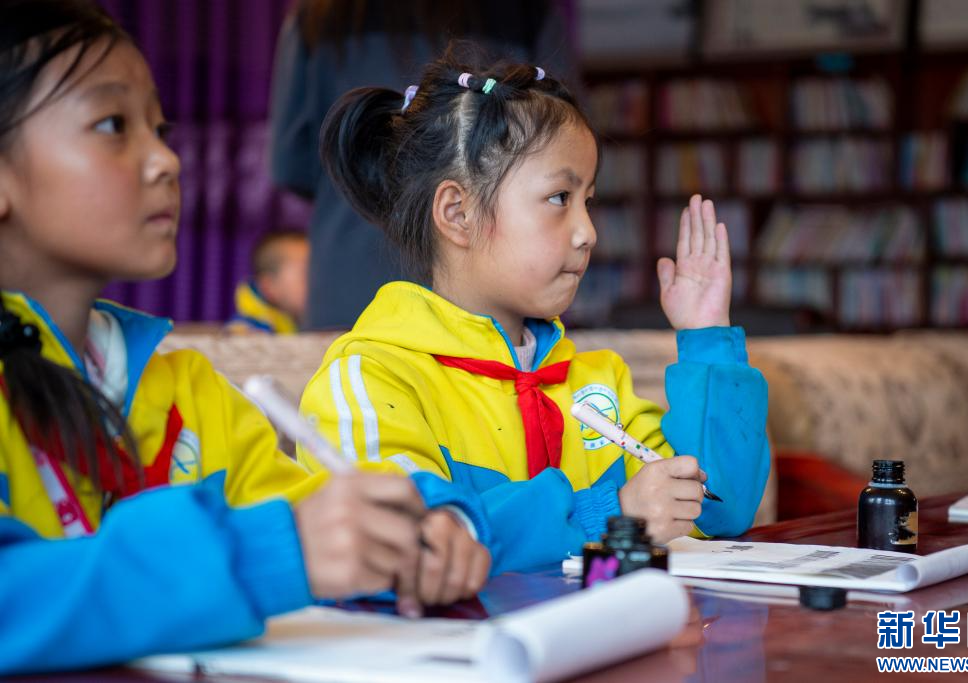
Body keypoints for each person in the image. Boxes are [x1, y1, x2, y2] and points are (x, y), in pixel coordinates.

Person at [0, 2, 489, 675]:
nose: (166, 159)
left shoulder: (191, 392)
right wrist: (273, 551)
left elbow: (307, 517)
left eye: (161, 129)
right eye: (113, 125)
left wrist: (408, 536)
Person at [299, 44, 771, 574]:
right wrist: (610, 514)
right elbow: (411, 544)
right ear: (458, 213)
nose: (588, 232)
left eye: (587, 201)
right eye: (559, 198)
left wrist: (707, 337)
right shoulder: (371, 379)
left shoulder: (595, 383)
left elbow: (720, 509)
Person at [269, 0, 576, 328]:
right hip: (486, 292)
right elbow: (566, 144)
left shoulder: (317, 17)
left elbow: (290, 165)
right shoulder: (528, 11)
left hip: (351, 281)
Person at [227, 228, 310, 334]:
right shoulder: (249, 329)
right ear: (269, 287)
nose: (318, 285)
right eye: (306, 274)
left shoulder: (300, 322)